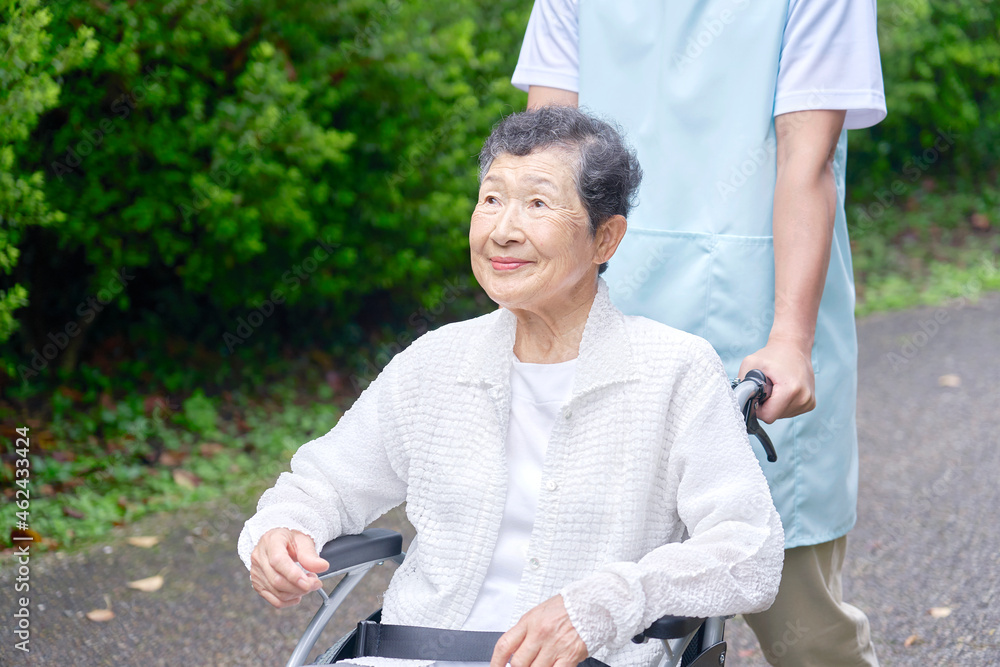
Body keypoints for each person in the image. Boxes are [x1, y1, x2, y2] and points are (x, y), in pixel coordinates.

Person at [239, 106, 784, 667]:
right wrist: (283, 529)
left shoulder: (673, 370)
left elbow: (748, 549)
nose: (502, 230)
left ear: (606, 238)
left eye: (538, 204)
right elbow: (324, 482)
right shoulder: (435, 363)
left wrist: (606, 603)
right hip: (409, 653)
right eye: (491, 199)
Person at [511, 1, 886, 665]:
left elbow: (807, 158)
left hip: (759, 333)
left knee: (806, 631)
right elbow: (545, 160)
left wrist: (792, 339)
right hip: (605, 330)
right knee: (601, 625)